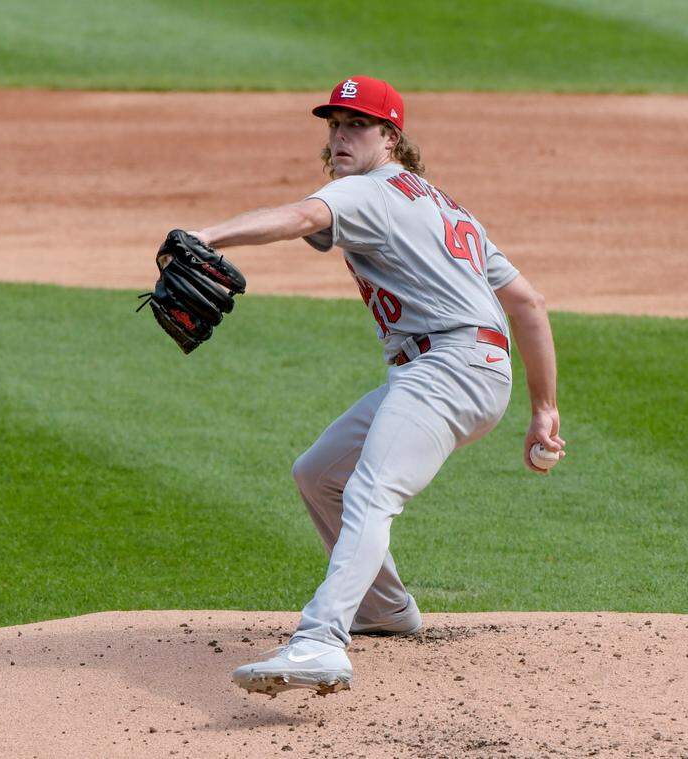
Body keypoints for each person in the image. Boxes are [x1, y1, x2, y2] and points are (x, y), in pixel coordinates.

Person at [188, 76, 565, 697]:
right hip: (459, 368)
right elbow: (527, 301)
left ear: (390, 137)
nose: (340, 135)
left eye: (356, 125)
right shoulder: (442, 204)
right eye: (334, 124)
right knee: (319, 473)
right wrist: (542, 409)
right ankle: (384, 609)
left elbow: (305, 215)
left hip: (451, 366)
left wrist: (209, 235)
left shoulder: (365, 192)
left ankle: (321, 640)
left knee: (371, 490)